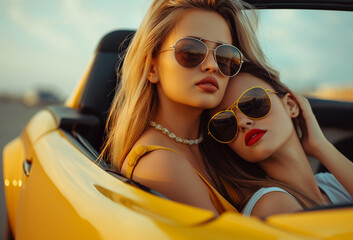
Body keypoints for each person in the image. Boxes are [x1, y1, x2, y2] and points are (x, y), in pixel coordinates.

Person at [100, 0, 279, 215]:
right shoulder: (161, 164)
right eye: (191, 51)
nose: (212, 65)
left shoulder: (219, 143)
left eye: (225, 57)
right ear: (152, 68)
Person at [200, 63, 353, 218]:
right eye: (225, 123)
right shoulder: (273, 204)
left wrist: (321, 147)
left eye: (252, 103)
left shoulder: (330, 183)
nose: (242, 122)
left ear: (291, 105)